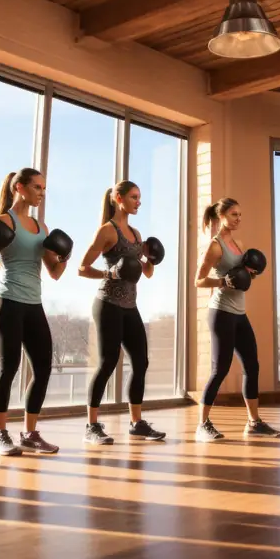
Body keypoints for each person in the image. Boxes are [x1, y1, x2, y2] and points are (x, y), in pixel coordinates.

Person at [0, 167, 72, 456]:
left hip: (34, 304)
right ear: (20, 188)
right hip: (8, 302)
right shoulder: (4, 221)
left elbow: (55, 273)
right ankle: (0, 435)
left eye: (44, 188)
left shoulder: (42, 228)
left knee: (43, 368)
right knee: (9, 368)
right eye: (37, 187)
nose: (42, 193)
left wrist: (65, 257)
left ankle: (29, 434)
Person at [78, 180, 165, 445]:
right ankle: (92, 426)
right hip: (107, 304)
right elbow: (82, 268)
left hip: (130, 306)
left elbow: (146, 273)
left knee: (141, 362)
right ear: (118, 198)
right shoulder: (107, 230)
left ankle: (137, 423)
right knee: (107, 363)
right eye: (134, 197)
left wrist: (151, 259)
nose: (139, 202)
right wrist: (110, 273)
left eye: (139, 197)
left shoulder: (136, 234)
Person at [194, 197, 280, 442]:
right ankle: (202, 424)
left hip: (240, 313)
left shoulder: (238, 244)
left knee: (252, 366)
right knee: (220, 369)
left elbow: (241, 277)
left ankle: (254, 423)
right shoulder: (215, 246)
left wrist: (249, 274)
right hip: (221, 312)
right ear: (221, 216)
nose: (238, 219)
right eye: (234, 214)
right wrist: (222, 281)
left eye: (240, 214)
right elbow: (198, 281)